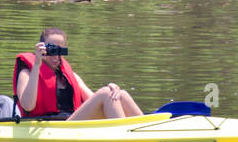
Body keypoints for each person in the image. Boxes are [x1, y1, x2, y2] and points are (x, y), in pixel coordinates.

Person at [14, 28, 142, 120]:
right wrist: (37, 64)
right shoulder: (27, 73)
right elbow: (28, 106)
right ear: (42, 49)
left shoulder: (71, 76)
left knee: (120, 94)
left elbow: (95, 99)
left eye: (60, 50)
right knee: (105, 92)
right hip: (50, 126)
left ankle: (147, 130)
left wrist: (113, 88)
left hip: (72, 122)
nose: (56, 55)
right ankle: (124, 136)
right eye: (51, 50)